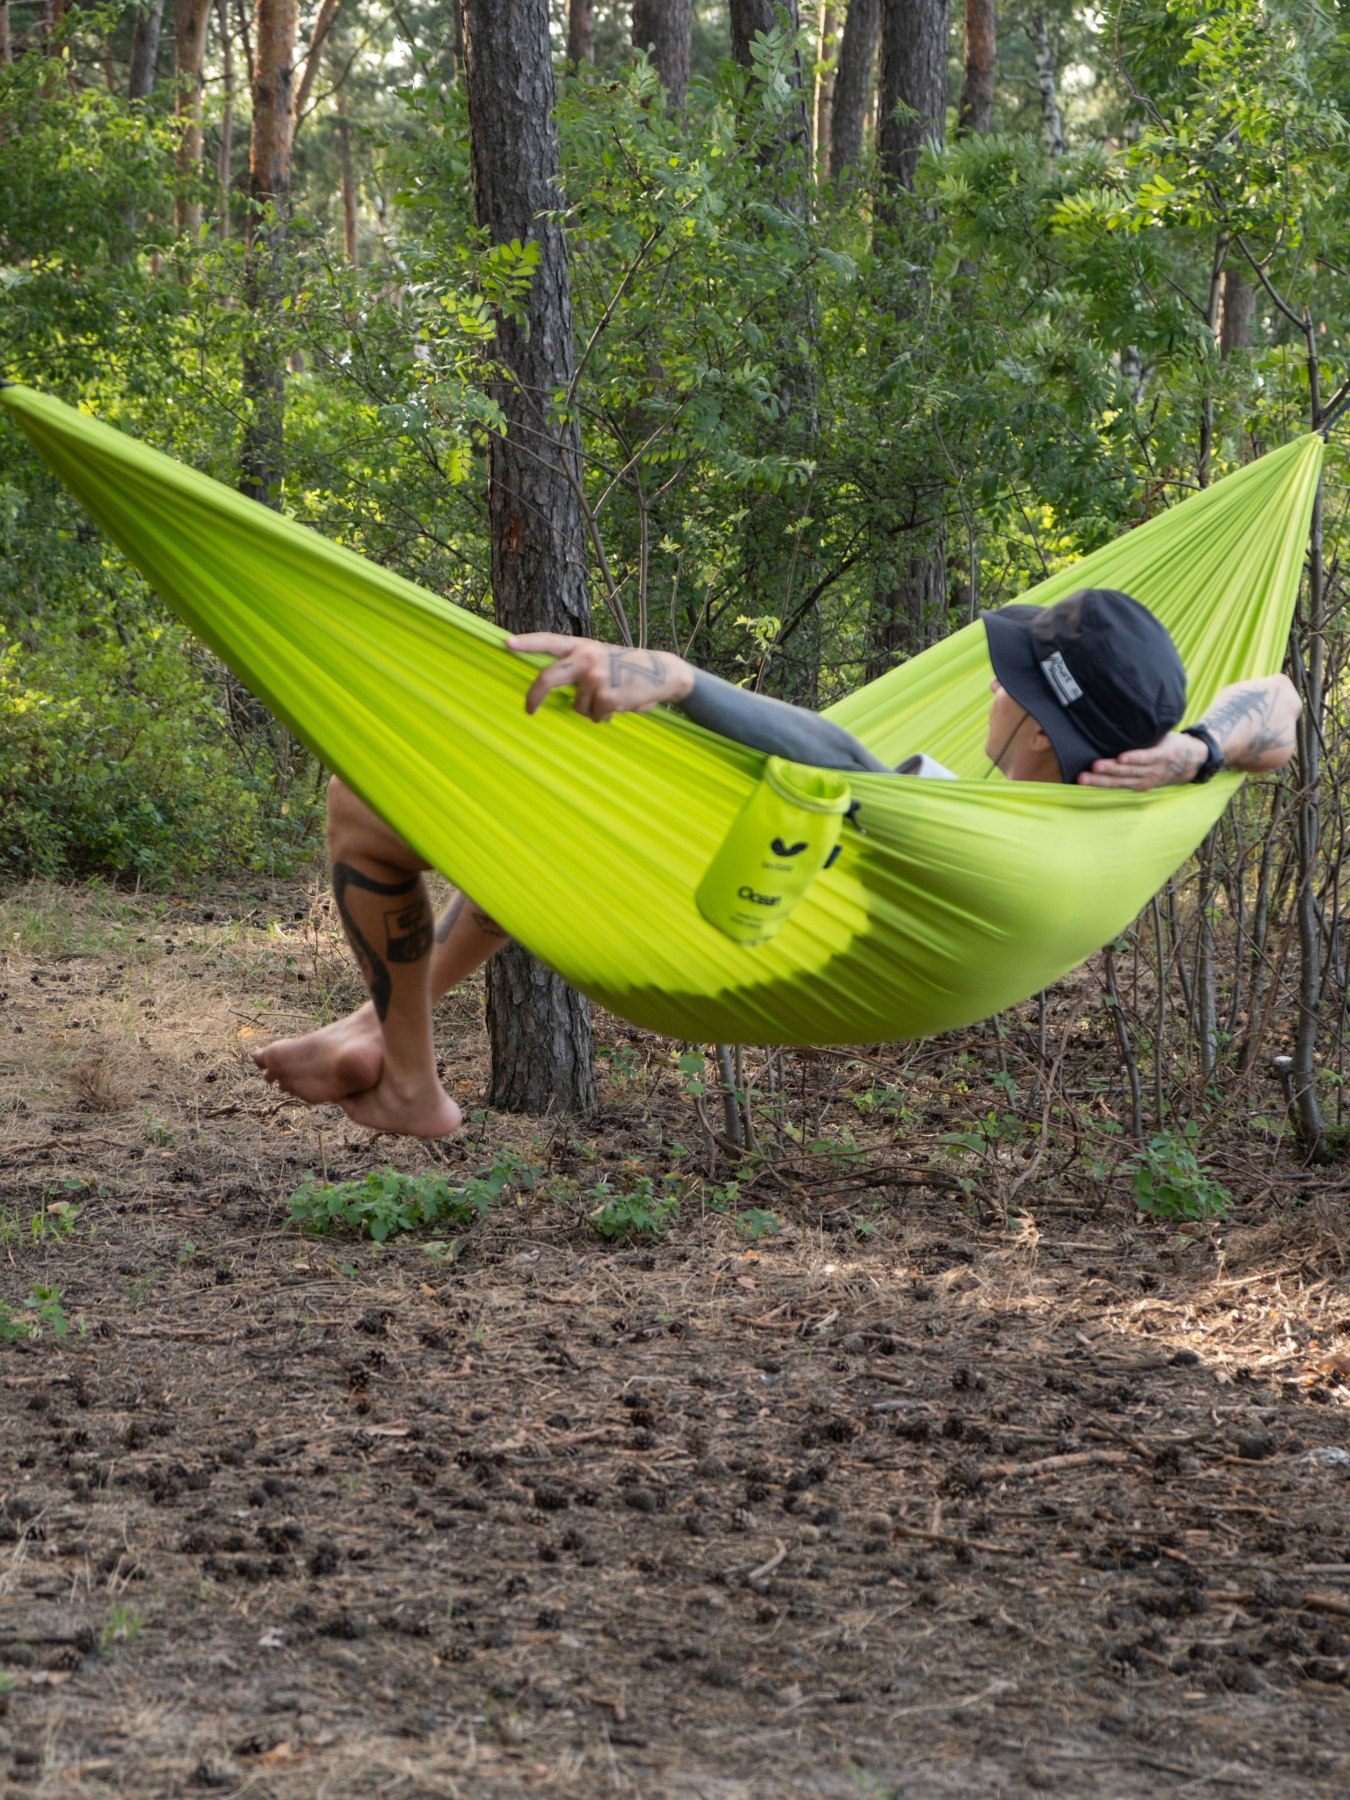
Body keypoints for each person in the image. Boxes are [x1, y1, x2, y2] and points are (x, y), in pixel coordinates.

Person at [253, 588, 1300, 1138]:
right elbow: (1283, 703)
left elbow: (842, 761)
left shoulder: (998, 843)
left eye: (1007, 676)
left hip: (736, 938)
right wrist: (1199, 750)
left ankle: (411, 1079)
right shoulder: (1123, 805)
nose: (990, 683)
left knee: (365, 800)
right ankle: (379, 1030)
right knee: (535, 843)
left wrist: (679, 681)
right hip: (782, 901)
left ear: (1034, 721)